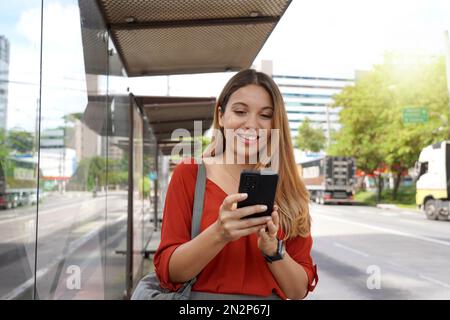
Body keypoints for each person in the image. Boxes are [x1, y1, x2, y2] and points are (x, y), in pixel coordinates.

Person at [153, 69, 318, 300]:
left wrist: (273, 250)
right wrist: (219, 233)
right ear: (221, 116)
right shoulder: (189, 174)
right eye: (240, 111)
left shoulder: (288, 187)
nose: (251, 124)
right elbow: (169, 271)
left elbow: (298, 290)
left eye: (265, 115)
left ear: (275, 123)